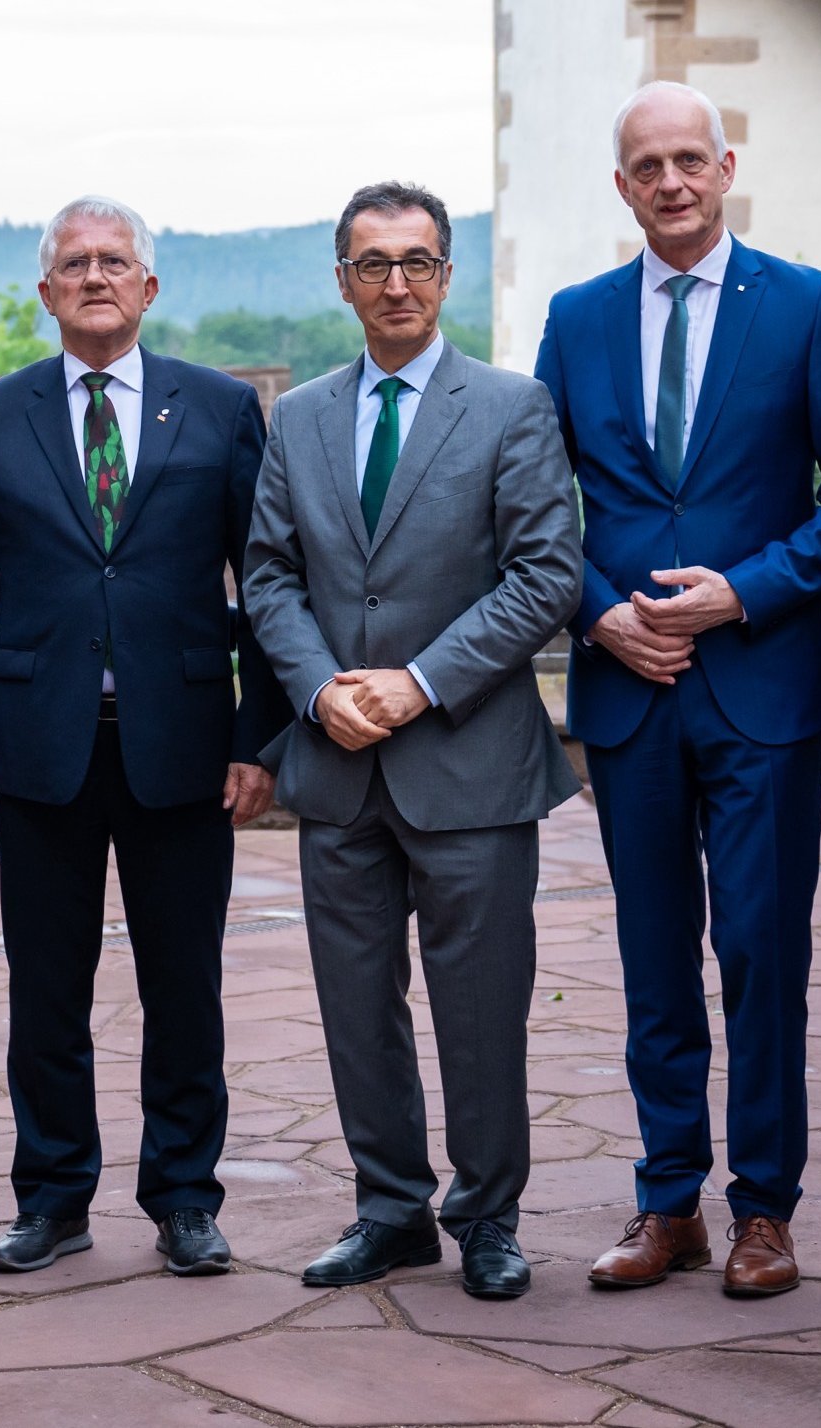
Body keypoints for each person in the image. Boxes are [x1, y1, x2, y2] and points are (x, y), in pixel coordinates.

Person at [531, 81, 821, 1298]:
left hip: (761, 684)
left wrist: (744, 591)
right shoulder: (575, 321)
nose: (673, 182)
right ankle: (665, 1202)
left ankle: (766, 1213)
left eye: (693, 159)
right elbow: (535, 512)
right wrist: (601, 614)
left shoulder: (801, 305)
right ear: (621, 185)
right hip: (628, 690)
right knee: (651, 955)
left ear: (726, 167)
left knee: (760, 951)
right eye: (649, 166)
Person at [0, 196, 284, 1279]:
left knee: (186, 986)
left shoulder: (220, 409)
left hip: (183, 741)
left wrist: (258, 737)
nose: (94, 276)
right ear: (46, 292)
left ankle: (184, 1198)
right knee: (46, 990)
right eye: (74, 263)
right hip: (40, 747)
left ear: (149, 287)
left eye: (114, 261)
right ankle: (52, 1197)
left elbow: (267, 580)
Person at [242, 181, 579, 1301]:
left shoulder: (512, 407)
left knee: (480, 1006)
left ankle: (488, 1216)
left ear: (448, 275)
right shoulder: (298, 418)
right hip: (337, 761)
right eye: (373, 264)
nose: (397, 282)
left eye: (419, 262)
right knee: (355, 1004)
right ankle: (390, 1209)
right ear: (342, 281)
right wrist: (313, 686)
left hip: (470, 760)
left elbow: (548, 576)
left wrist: (421, 682)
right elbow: (271, 572)